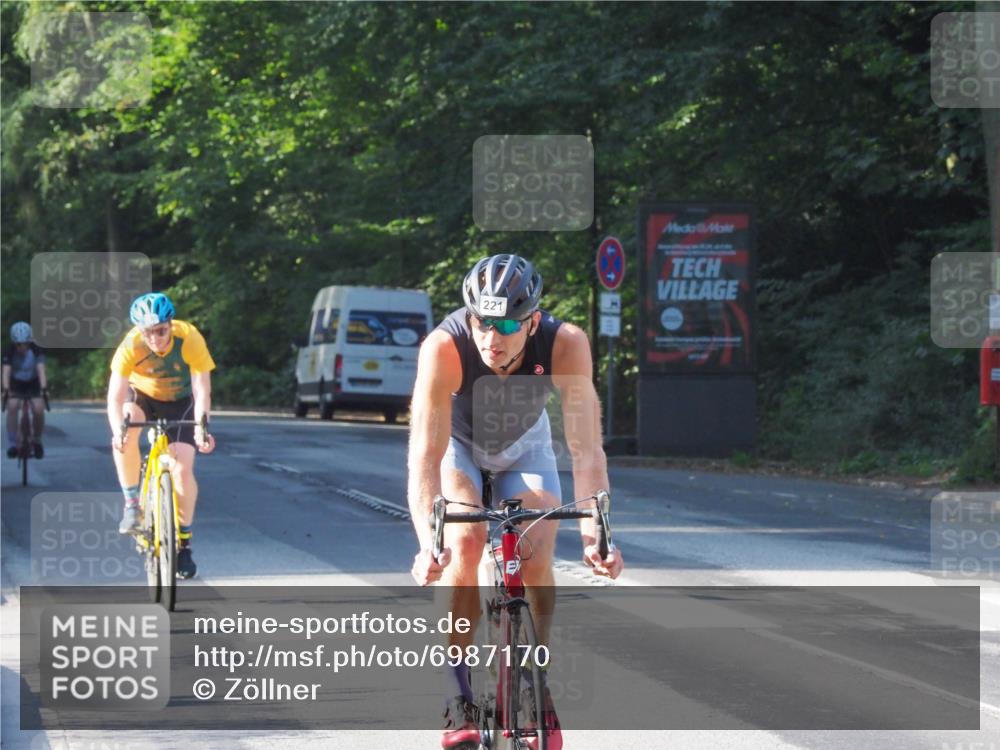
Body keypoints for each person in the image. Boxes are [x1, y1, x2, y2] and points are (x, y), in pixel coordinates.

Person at [407, 254, 624, 750]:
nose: (491, 337)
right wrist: (428, 543)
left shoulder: (565, 343)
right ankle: (457, 691)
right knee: (465, 540)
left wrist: (596, 535)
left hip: (524, 444)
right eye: (482, 321)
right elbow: (425, 455)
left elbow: (586, 449)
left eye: (506, 324)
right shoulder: (444, 346)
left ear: (531, 321)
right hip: (460, 445)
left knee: (538, 539)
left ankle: (533, 682)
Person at [108, 293, 216, 579]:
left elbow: (202, 389)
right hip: (142, 396)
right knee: (125, 435)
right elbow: (115, 397)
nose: (155, 338)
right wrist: (118, 430)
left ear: (171, 324)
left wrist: (202, 427)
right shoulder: (131, 344)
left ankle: (184, 545)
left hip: (180, 401)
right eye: (148, 333)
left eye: (160, 331)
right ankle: (132, 504)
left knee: (182, 470)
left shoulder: (189, 337)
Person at [2, 322, 48, 458]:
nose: (21, 347)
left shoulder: (36, 349)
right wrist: (6, 390)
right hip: (16, 382)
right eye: (18, 344)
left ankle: (37, 440)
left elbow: (41, 371)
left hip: (33, 382)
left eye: (25, 343)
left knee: (38, 409)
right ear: (14, 342)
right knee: (12, 406)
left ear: (29, 342)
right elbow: (5, 372)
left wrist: (44, 389)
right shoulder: (9, 351)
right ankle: (12, 443)